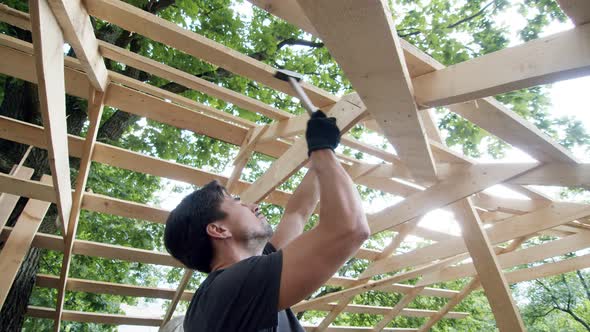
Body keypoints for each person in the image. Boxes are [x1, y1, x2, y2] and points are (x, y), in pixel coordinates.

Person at [164, 110, 369, 331]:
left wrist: (319, 153)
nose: (254, 206)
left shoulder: (244, 280)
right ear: (219, 229)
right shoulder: (228, 289)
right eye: (237, 201)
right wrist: (322, 149)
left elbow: (298, 212)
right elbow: (349, 229)